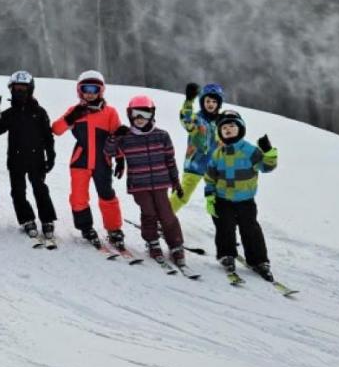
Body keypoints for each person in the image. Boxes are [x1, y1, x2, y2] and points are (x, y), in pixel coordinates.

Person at [104, 95, 187, 266]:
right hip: (139, 184)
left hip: (160, 183)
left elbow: (170, 161)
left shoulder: (162, 136)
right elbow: (109, 151)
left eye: (145, 114)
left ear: (152, 114)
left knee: (166, 213)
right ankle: (152, 241)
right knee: (148, 213)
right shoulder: (126, 137)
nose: (140, 119)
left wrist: (176, 182)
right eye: (136, 114)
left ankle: (176, 245)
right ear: (130, 115)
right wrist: (114, 136)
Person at [51, 70, 126, 249]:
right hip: (80, 161)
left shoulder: (110, 112)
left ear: (100, 91)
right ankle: (86, 227)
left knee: (107, 195)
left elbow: (117, 137)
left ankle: (114, 229)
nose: (90, 93)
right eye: (86, 89)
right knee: (78, 197)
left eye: (94, 89)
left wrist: (120, 158)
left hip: (102, 162)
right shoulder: (75, 111)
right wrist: (71, 117)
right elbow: (56, 129)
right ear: (80, 91)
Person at [203, 110, 279, 279]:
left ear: (240, 129)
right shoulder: (217, 154)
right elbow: (209, 178)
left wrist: (268, 152)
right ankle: (226, 254)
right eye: (224, 128)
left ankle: (259, 260)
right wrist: (209, 196)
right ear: (220, 132)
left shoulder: (250, 151)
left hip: (246, 200)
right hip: (222, 200)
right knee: (224, 228)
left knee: (250, 229)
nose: (228, 130)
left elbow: (267, 167)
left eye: (232, 126)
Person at [0, 70, 56, 241]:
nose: (19, 92)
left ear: (30, 89)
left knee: (40, 190)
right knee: (18, 192)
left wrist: (51, 156)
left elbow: (48, 137)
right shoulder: (10, 113)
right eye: (16, 89)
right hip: (16, 159)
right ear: (11, 90)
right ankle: (27, 219)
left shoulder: (39, 113)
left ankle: (47, 220)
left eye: (23, 89)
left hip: (36, 159)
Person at [172, 81, 224, 212]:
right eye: (207, 101)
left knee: (221, 197)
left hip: (216, 166)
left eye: (214, 102)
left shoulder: (222, 122)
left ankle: (225, 226)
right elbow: (186, 119)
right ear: (202, 103)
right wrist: (189, 101)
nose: (211, 104)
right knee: (183, 194)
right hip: (195, 163)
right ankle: (163, 218)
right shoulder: (197, 119)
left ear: (218, 104)